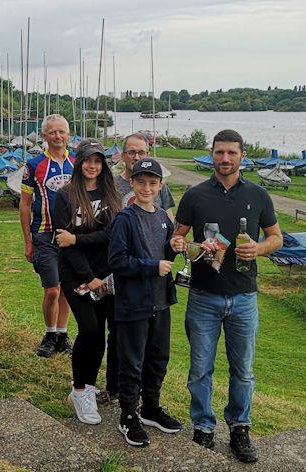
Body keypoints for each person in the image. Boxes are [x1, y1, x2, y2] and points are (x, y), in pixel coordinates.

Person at [171, 129, 283, 463]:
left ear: (242, 156)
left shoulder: (259, 195)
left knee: (244, 371)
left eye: (231, 153)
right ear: (211, 154)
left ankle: (239, 428)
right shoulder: (195, 195)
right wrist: (184, 246)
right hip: (204, 296)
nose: (225, 159)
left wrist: (259, 249)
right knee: (200, 370)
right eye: (219, 152)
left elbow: (276, 237)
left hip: (244, 297)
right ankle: (203, 428)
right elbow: (178, 238)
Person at [108, 158, 182, 447]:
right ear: (133, 184)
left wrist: (173, 248)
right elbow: (117, 261)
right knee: (132, 362)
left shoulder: (164, 217)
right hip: (134, 303)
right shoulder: (125, 219)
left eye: (153, 183)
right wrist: (152, 266)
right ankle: (127, 415)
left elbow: (163, 257)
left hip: (161, 301)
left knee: (157, 359)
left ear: (160, 186)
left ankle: (150, 407)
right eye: (142, 182)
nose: (147, 187)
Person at [52, 139, 121, 425]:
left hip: (106, 273)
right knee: (89, 329)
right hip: (75, 273)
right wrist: (89, 278)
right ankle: (79, 390)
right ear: (78, 162)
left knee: (101, 333)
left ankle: (89, 388)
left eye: (98, 161)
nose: (92, 166)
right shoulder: (65, 195)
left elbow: (111, 235)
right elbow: (64, 243)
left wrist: (78, 238)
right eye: (87, 160)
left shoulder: (110, 193)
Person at [20, 114, 74, 357]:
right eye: (52, 132)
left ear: (68, 134)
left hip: (72, 236)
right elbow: (24, 204)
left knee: (67, 289)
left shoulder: (77, 163)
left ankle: (62, 335)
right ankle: (49, 334)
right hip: (44, 234)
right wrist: (28, 241)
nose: (57, 136)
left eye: (61, 131)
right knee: (52, 289)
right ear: (44, 136)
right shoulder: (33, 165)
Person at [114, 132, 175, 220]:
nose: (137, 157)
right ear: (123, 156)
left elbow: (169, 219)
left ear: (148, 156)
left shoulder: (158, 185)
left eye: (141, 153)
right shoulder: (112, 185)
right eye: (131, 152)